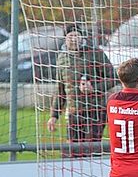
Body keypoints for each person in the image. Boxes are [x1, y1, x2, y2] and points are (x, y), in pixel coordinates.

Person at [47, 24, 116, 157]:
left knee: (92, 150)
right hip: (74, 111)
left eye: (77, 36)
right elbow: (60, 90)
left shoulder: (95, 53)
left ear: (82, 37)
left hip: (96, 110)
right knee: (72, 151)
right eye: (71, 36)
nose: (74, 39)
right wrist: (54, 115)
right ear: (65, 39)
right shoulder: (62, 58)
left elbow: (113, 77)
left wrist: (93, 88)